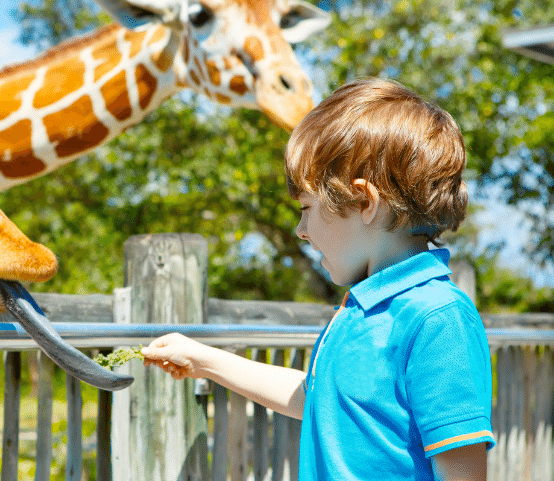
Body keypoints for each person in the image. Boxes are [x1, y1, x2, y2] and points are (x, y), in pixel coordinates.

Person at [141, 77, 494, 480]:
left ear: (365, 202)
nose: (301, 230)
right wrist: (205, 360)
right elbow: (318, 397)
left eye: (307, 207)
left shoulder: (437, 318)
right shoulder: (360, 310)